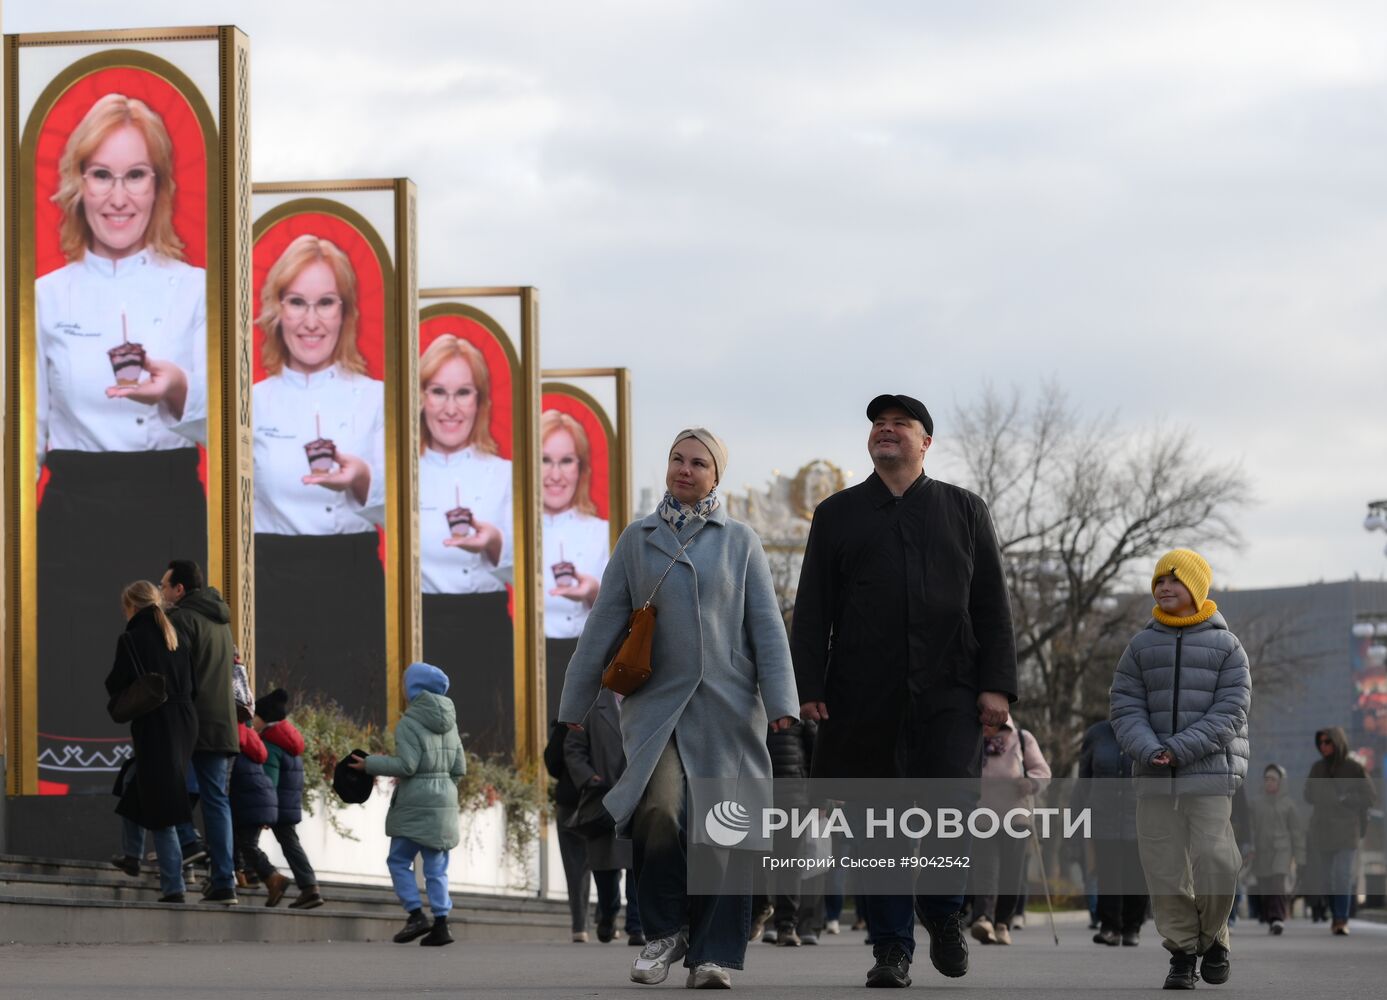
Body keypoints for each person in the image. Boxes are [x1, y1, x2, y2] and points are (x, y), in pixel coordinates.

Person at [558, 428, 799, 990]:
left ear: (717, 476)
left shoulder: (741, 541)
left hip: (728, 707)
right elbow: (601, 629)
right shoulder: (637, 539)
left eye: (698, 463)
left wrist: (783, 704)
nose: (684, 470)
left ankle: (715, 955)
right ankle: (665, 932)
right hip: (656, 707)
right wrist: (572, 707)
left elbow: (766, 627)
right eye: (676, 459)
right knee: (658, 811)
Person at [790, 394, 1017, 989]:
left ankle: (943, 913)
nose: (885, 432)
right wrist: (808, 684)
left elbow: (992, 604)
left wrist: (997, 685)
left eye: (900, 425)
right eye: (877, 425)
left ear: (925, 442)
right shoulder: (836, 514)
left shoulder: (964, 510)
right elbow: (812, 608)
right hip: (863, 693)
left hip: (951, 690)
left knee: (953, 808)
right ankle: (891, 949)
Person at [36, 92, 207, 789]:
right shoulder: (41, 295)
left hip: (166, 506)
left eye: (136, 174)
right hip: (74, 516)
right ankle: (68, 821)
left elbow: (234, 426)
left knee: (171, 685)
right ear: (77, 184)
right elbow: (30, 433)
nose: (117, 195)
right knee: (79, 675)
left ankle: (175, 824)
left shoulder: (199, 290)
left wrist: (174, 390)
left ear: (160, 185)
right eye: (101, 174)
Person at [253, 234, 386, 719]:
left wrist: (359, 478)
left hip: (349, 578)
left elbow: (402, 508)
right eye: (297, 302)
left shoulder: (376, 397)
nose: (311, 321)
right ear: (276, 310)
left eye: (326, 303)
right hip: (270, 578)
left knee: (354, 719)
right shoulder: (250, 401)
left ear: (345, 312)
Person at [1110, 548, 1251, 990]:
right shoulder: (1140, 645)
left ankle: (1214, 938)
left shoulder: (1228, 646)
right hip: (1153, 774)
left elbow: (1232, 710)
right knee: (1164, 869)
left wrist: (1179, 749)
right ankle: (1182, 954)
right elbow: (1124, 706)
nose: (1164, 588)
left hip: (1210, 773)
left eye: (1174, 581)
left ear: (1196, 588)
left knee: (1216, 860)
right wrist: (1150, 750)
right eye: (1159, 582)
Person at [417, 334, 514, 753]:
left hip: (484, 624)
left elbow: (523, 567)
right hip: (421, 621)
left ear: (480, 401)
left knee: (484, 741)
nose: (451, 408)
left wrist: (493, 544)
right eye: (438, 392)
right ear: (420, 397)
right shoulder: (403, 468)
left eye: (463, 393)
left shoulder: (506, 474)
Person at [348, 662, 467, 947]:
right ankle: (441, 924)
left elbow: (407, 765)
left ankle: (415, 914)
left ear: (414, 689)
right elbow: (459, 768)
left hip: (414, 802)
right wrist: (442, 793)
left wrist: (369, 765)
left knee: (400, 859)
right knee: (436, 867)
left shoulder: (410, 722)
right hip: (444, 801)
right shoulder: (450, 723)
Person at [103, 580, 198, 903]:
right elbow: (193, 684)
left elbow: (117, 681)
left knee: (162, 804)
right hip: (184, 722)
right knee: (136, 779)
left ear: (131, 606)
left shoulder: (132, 638)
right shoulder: (177, 635)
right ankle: (132, 854)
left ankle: (174, 887)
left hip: (156, 724)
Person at [162, 559, 239, 905]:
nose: (161, 592)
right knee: (216, 801)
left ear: (179, 589)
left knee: (167, 785)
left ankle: (189, 844)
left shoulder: (181, 619)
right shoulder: (221, 622)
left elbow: (176, 674)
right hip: (222, 725)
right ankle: (224, 880)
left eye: (164, 586)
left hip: (191, 722)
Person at [541, 409, 610, 723]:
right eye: (545, 460)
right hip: (527, 658)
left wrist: (592, 591)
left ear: (581, 468)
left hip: (585, 659)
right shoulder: (513, 529)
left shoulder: (603, 533)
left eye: (566, 461)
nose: (555, 475)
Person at [565, 688, 639, 945]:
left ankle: (636, 925)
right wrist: (589, 777)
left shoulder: (646, 701)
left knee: (637, 864)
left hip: (636, 795)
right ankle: (607, 914)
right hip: (602, 797)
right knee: (605, 866)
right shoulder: (592, 706)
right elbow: (573, 749)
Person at [970, 714, 1050, 946]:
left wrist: (1031, 782)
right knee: (986, 868)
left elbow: (1042, 771)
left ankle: (1002, 923)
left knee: (1011, 871)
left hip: (1016, 816)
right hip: (982, 814)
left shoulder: (1022, 738)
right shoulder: (973, 738)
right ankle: (983, 918)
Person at [1072, 719, 1148, 947]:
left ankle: (1132, 927)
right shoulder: (1096, 733)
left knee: (1136, 874)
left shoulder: (1146, 728)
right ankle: (1110, 927)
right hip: (1103, 815)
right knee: (1108, 874)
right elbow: (1084, 779)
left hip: (1138, 815)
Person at [251, 688, 323, 909]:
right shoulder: (288, 742)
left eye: (254, 716)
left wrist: (264, 810)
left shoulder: (271, 744)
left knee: (247, 842)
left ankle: (268, 878)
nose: (251, 720)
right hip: (287, 804)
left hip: (274, 805)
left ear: (264, 718)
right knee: (290, 844)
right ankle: (309, 887)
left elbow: (268, 782)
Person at [1303, 726, 1376, 935]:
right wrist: (1320, 795)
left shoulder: (1354, 768)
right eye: (1321, 742)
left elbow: (1370, 796)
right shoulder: (1317, 768)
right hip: (1323, 830)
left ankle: (1341, 919)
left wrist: (1347, 799)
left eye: (1328, 742)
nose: (1324, 746)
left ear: (1338, 743)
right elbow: (1307, 794)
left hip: (1347, 831)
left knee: (1342, 875)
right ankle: (1336, 914)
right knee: (1326, 878)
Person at [1249, 763, 1304, 935]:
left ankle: (1278, 918)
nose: (1269, 783)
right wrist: (1250, 847)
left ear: (1280, 782)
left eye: (1273, 779)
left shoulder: (1288, 805)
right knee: (1265, 886)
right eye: (1266, 779)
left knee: (1278, 883)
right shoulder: (1256, 803)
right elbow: (1251, 829)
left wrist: (1300, 858)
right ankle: (1271, 917)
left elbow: (1296, 833)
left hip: (1282, 850)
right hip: (1262, 851)